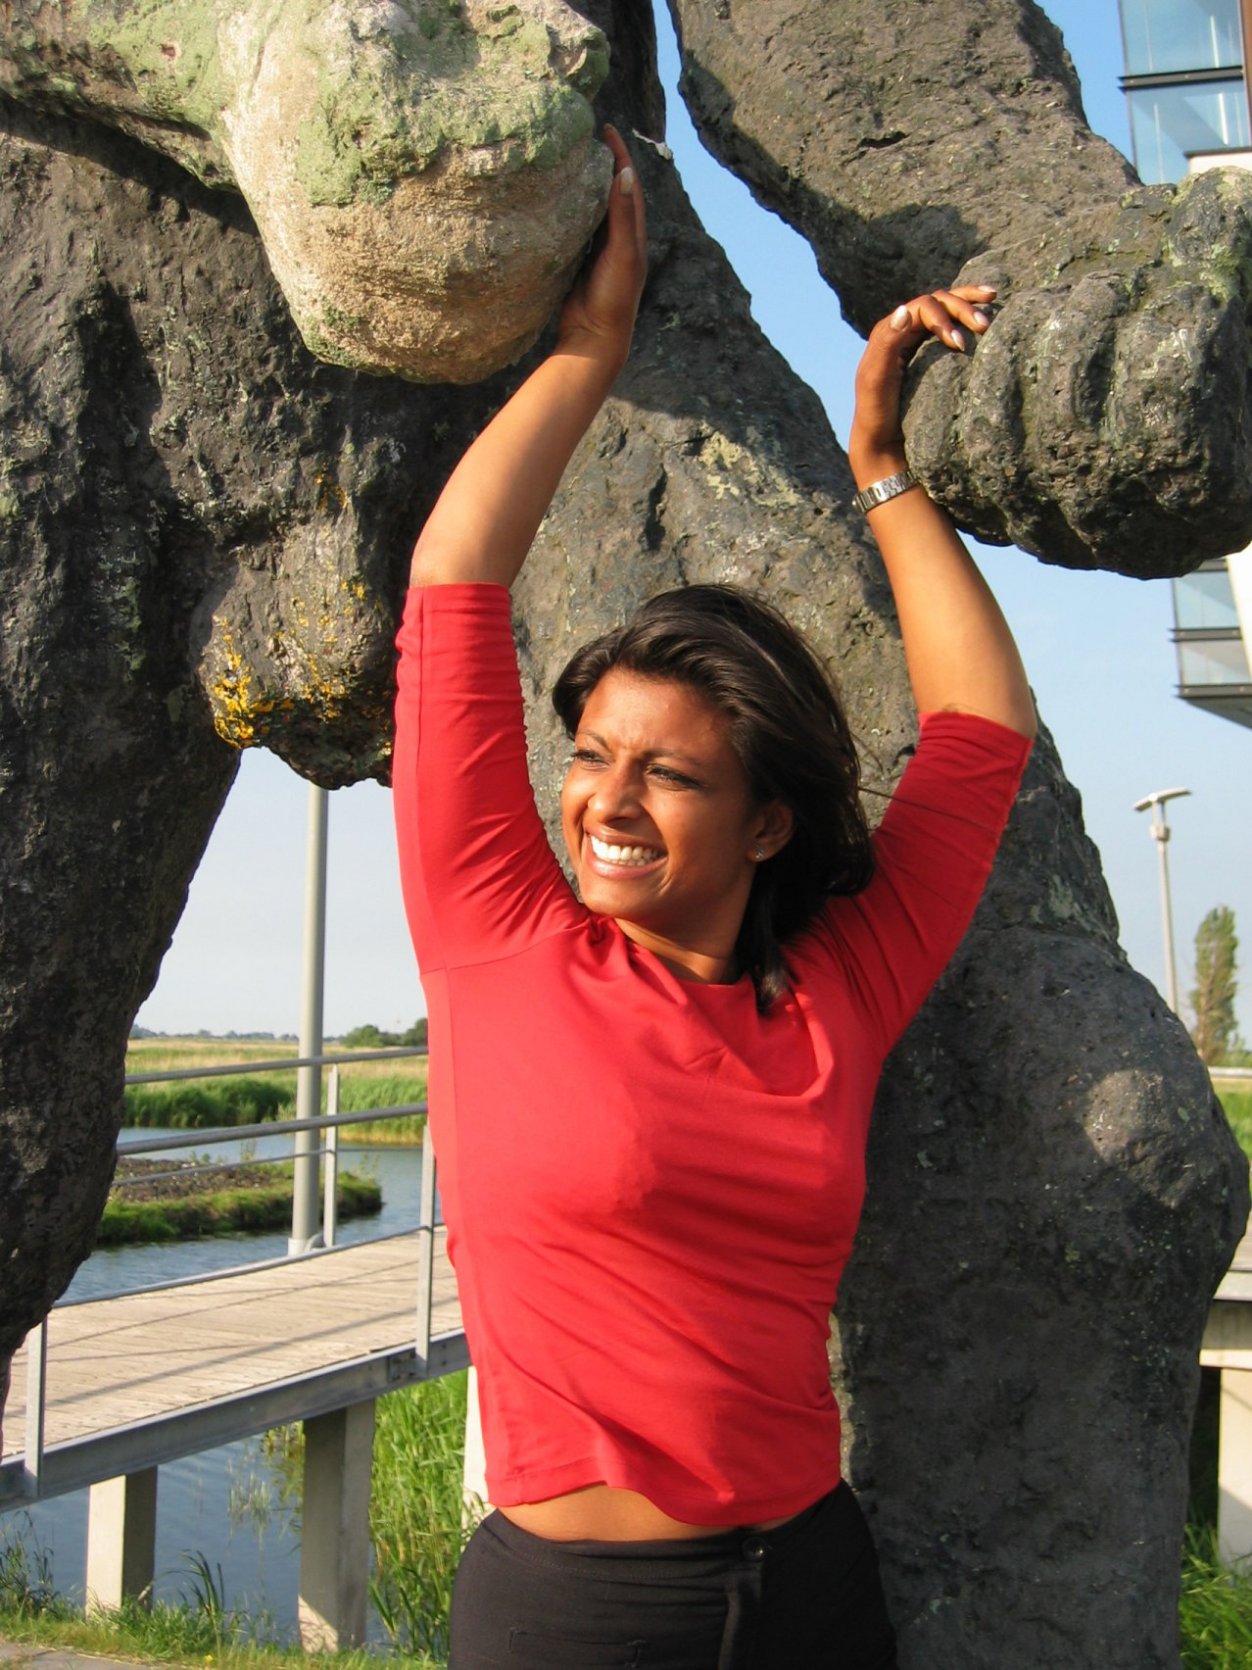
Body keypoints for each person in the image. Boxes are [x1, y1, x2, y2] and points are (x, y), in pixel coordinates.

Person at [393, 127, 1035, 1670]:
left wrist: (883, 472)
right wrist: (588, 354)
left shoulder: (837, 992)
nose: (606, 799)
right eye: (591, 755)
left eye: (668, 773)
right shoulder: (495, 933)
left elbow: (979, 736)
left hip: (810, 1585)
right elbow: (454, 583)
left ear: (767, 825)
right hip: (572, 1619)